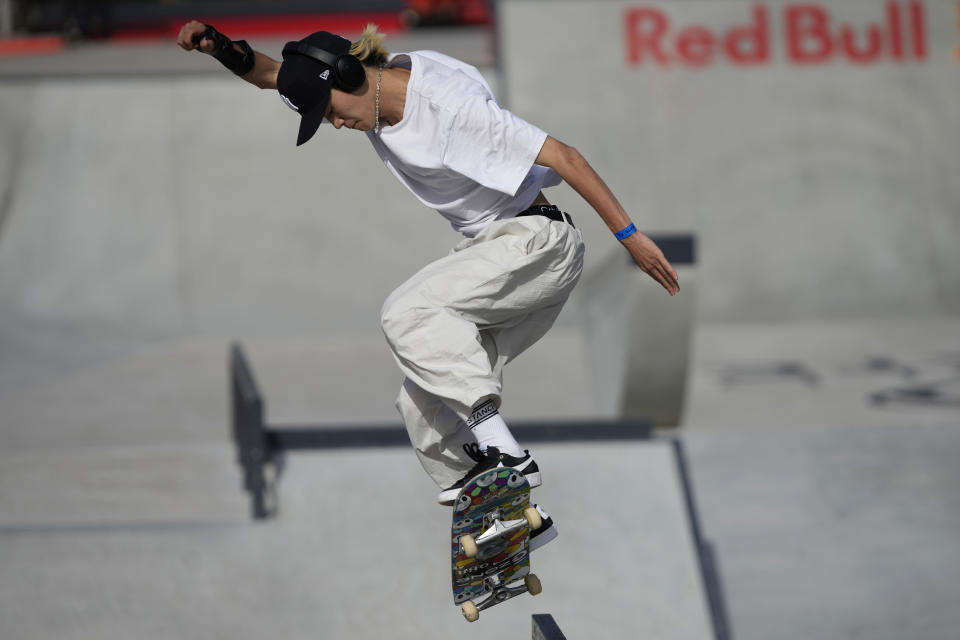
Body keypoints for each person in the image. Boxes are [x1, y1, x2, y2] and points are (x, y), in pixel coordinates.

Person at [177, 22, 679, 548]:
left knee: (406, 313)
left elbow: (565, 156)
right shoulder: (367, 91)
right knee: (423, 406)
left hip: (535, 243)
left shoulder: (451, 109)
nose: (337, 125)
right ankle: (509, 519)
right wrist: (219, 46)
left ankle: (507, 455)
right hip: (497, 255)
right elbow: (272, 75)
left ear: (349, 78)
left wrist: (630, 237)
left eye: (331, 112)